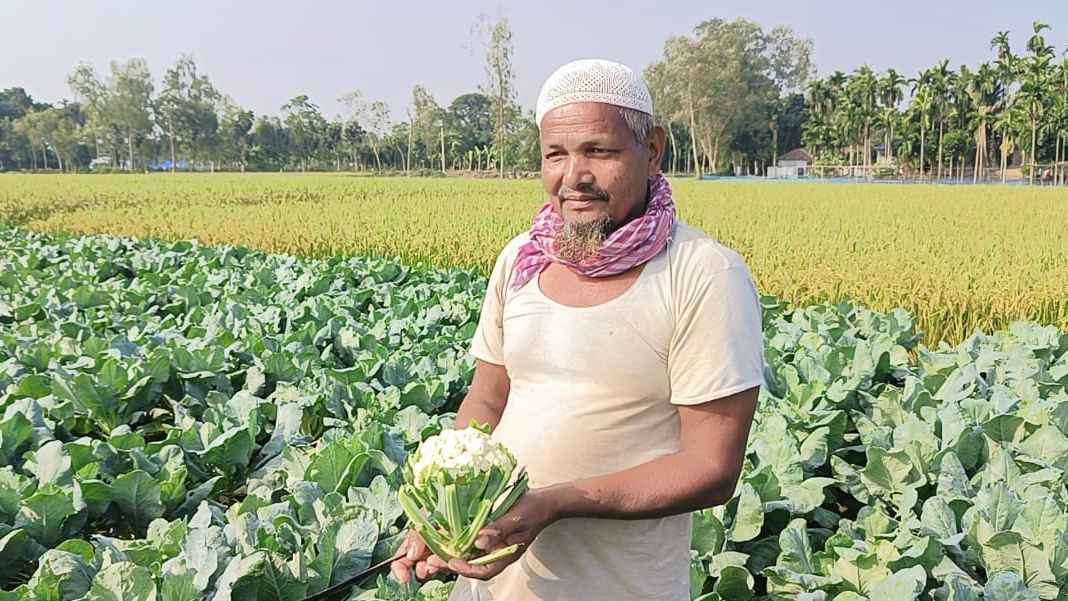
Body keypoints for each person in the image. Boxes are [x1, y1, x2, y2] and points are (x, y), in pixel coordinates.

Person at [391, 58, 764, 601]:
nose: (574, 177)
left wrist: (556, 501)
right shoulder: (522, 258)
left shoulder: (703, 273)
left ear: (653, 149)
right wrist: (444, 511)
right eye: (556, 155)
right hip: (491, 589)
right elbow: (487, 400)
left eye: (599, 151)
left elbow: (710, 467)